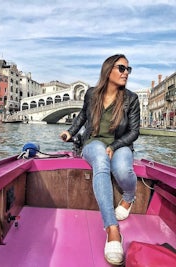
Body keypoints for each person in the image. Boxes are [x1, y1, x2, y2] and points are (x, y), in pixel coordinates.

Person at [60, 54, 140, 265]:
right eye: (122, 68)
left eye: (128, 70)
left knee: (123, 170)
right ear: (108, 70)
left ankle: (130, 195)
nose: (126, 73)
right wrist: (70, 132)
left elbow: (134, 132)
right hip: (93, 142)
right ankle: (112, 229)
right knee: (101, 163)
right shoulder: (91, 94)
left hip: (120, 143)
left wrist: (114, 146)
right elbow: (82, 116)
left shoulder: (131, 99)